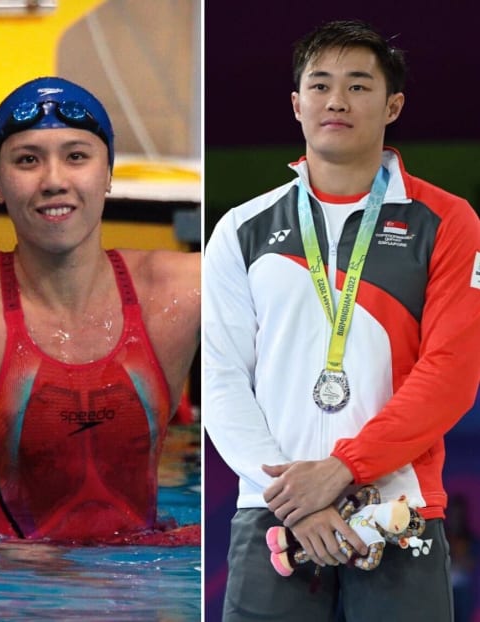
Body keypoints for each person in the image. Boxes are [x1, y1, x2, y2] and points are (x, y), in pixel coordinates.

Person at [204, 19, 480, 621]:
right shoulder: (241, 229)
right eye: (321, 84)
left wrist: (342, 471)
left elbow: (452, 373)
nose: (336, 100)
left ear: (393, 105)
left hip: (400, 506)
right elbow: (221, 379)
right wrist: (298, 500)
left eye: (358, 85)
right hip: (272, 512)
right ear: (296, 103)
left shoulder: (447, 221)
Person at [0, 76, 200, 543]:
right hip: (11, 601)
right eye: (27, 160)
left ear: (109, 172)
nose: (54, 181)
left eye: (76, 156)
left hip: (142, 595)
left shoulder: (181, 290)